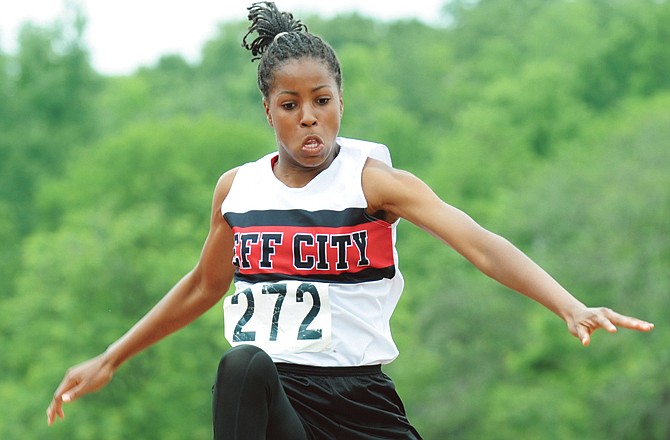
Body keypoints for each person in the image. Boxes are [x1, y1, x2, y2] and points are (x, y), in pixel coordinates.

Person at [47, 2, 654, 439]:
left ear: (341, 102)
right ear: (269, 112)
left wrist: (568, 304)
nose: (308, 118)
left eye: (321, 101)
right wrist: (112, 356)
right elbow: (204, 286)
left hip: (358, 402)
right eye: (291, 106)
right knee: (241, 364)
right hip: (274, 405)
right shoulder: (237, 190)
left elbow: (479, 244)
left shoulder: (373, 182)